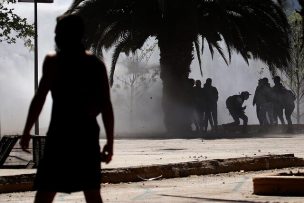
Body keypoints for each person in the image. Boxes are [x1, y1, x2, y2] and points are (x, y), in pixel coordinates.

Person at [20, 15, 114, 203]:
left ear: (66, 35)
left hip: (61, 136)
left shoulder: (54, 62)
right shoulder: (95, 65)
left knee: (47, 192)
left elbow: (39, 98)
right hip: (83, 136)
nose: (56, 37)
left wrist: (27, 131)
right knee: (91, 192)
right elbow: (106, 106)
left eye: (58, 33)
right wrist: (110, 143)